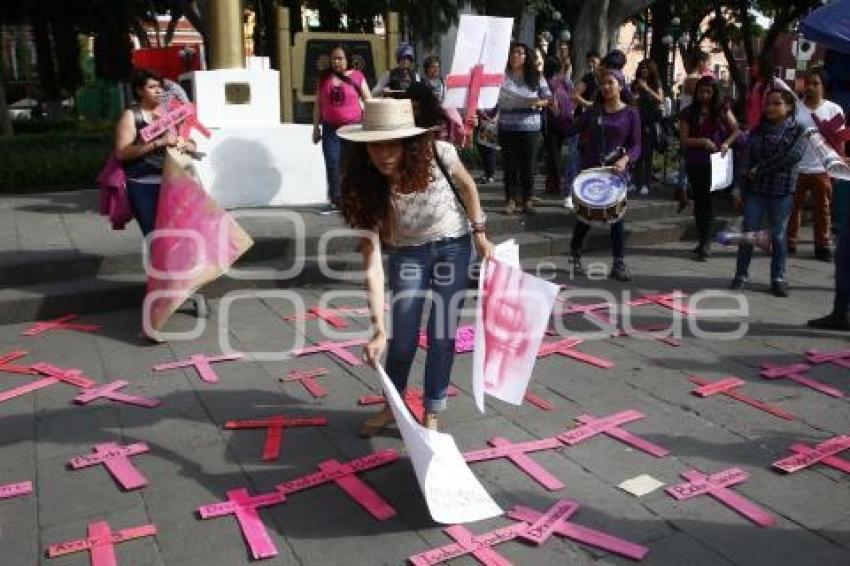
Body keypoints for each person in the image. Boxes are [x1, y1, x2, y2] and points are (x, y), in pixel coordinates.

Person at [337, 99, 493, 435]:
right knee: (402, 338)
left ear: (409, 142)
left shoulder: (440, 154)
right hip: (408, 254)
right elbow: (372, 262)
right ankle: (392, 406)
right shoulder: (367, 185)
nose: (383, 155)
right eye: (374, 146)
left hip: (453, 247)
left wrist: (480, 233)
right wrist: (378, 328)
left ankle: (432, 408)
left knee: (442, 334)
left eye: (392, 144)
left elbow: (467, 187)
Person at [113, 68, 206, 317]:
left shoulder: (169, 114)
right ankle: (164, 297)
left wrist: (185, 144)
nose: (159, 91)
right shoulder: (131, 116)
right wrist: (155, 143)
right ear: (139, 90)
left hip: (175, 184)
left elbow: (191, 142)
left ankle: (190, 291)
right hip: (143, 186)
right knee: (158, 241)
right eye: (153, 87)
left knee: (182, 240)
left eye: (160, 87)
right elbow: (122, 153)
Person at [731, 88, 807, 297]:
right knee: (749, 232)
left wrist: (760, 169)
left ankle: (778, 278)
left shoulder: (798, 130)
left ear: (789, 107)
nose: (771, 108)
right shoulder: (756, 132)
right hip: (757, 192)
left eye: (777, 103)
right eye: (768, 104)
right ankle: (741, 275)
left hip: (782, 192)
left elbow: (790, 157)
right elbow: (745, 161)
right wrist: (738, 188)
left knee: (779, 236)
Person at [569, 68, 641, 282]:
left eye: (611, 83)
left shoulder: (631, 113)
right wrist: (558, 112)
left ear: (621, 85)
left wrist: (625, 159)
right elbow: (573, 127)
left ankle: (618, 263)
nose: (606, 87)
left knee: (616, 217)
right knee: (585, 216)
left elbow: (637, 145)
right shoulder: (594, 111)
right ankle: (574, 256)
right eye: (603, 83)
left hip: (615, 173)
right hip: (591, 171)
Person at [679, 76, 740, 261]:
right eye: (701, 91)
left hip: (715, 162)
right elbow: (683, 139)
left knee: (708, 204)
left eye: (708, 92)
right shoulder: (688, 112)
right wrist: (702, 141)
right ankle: (702, 239)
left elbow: (736, 129)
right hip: (696, 161)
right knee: (699, 203)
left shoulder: (722, 109)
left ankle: (705, 244)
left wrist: (726, 144)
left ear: (714, 93)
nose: (704, 95)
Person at [787, 68, 845, 261]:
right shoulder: (795, 108)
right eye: (808, 83)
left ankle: (822, 246)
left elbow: (840, 141)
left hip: (822, 169)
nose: (810, 87)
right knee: (792, 209)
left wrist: (838, 166)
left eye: (815, 83)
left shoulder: (834, 110)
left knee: (823, 211)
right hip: (797, 168)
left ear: (823, 86)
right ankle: (790, 242)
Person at [312, 45, 371, 214]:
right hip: (330, 129)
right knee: (332, 163)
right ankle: (336, 200)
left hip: (354, 128)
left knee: (352, 164)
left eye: (340, 58)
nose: (336, 62)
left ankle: (354, 199)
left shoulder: (357, 76)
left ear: (348, 60)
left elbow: (368, 100)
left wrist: (372, 124)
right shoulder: (324, 79)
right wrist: (316, 128)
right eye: (334, 59)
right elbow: (318, 104)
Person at [497, 42, 552, 215]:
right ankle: (510, 200)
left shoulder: (536, 76)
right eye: (512, 52)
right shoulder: (502, 76)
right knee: (509, 165)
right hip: (507, 126)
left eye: (519, 53)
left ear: (526, 56)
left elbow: (548, 98)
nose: (515, 56)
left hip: (530, 128)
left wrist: (538, 103)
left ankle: (527, 200)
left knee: (529, 165)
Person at [631, 59, 665, 197]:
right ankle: (635, 182)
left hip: (650, 123)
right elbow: (631, 100)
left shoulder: (656, 83)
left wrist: (647, 89)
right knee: (635, 153)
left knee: (647, 154)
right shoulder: (635, 83)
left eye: (647, 67)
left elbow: (660, 99)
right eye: (642, 67)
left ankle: (646, 183)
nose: (644, 69)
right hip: (636, 121)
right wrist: (635, 97)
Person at [542, 57, 572, 196]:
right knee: (554, 154)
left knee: (553, 155)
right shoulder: (559, 81)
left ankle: (553, 183)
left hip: (555, 122)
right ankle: (554, 183)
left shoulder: (553, 82)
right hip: (558, 122)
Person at [571, 50, 601, 116]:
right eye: (588, 62)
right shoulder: (588, 77)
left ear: (600, 61)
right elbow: (574, 95)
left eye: (593, 61)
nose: (590, 64)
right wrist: (588, 104)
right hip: (584, 115)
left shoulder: (607, 77)